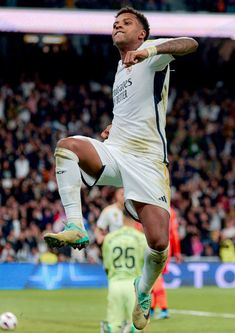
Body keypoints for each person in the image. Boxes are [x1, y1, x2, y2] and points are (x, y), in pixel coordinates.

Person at [44, 7, 198, 330]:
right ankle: (77, 225)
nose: (117, 25)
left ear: (142, 34)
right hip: (117, 152)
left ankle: (142, 290)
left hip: (148, 161)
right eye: (115, 22)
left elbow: (190, 43)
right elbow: (131, 110)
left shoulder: (152, 55)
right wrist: (113, 127)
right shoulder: (119, 69)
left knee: (158, 242)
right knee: (67, 148)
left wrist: (151, 50)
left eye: (126, 23)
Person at [101, 210, 147, 333]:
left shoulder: (109, 238)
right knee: (137, 325)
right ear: (137, 219)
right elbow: (146, 265)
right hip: (134, 285)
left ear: (121, 218)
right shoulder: (141, 238)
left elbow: (107, 266)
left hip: (114, 284)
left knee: (114, 325)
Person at [150, 206, 182, 319]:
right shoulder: (171, 211)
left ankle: (164, 309)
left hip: (154, 247)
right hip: (166, 247)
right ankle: (152, 309)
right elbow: (174, 233)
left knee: (156, 277)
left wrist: (178, 252)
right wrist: (177, 252)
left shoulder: (150, 207)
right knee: (153, 278)